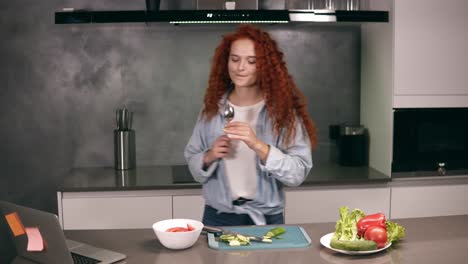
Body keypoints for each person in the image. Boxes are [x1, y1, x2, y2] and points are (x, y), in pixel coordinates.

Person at [184, 24, 317, 226]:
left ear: (265, 66)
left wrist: (259, 146)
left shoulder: (283, 112)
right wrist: (209, 156)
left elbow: (297, 173)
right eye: (235, 59)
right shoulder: (211, 108)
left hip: (267, 219)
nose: (240, 67)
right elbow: (192, 160)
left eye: (251, 61)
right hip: (217, 217)